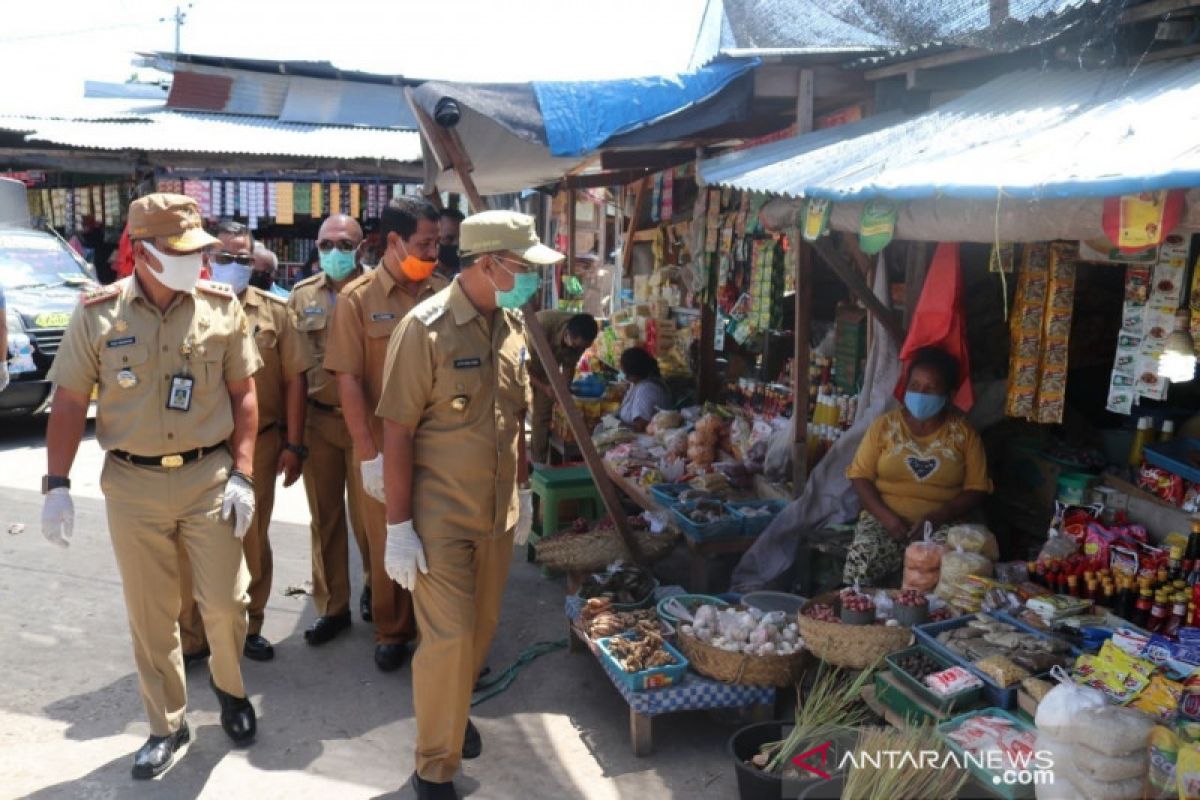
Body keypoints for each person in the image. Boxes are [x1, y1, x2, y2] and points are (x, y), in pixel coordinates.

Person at [40, 193, 261, 779]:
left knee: (225, 602)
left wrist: (244, 471)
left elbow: (244, 395)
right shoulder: (97, 315)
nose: (195, 261)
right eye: (179, 249)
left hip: (208, 477)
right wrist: (55, 484)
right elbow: (67, 403)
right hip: (133, 485)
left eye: (197, 249)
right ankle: (167, 724)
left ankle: (232, 691)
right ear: (142, 251)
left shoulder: (221, 308)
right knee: (151, 614)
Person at [378, 209, 558, 800]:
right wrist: (398, 527)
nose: (533, 277)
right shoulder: (423, 330)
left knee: (478, 639)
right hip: (440, 523)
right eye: (524, 266)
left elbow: (516, 421)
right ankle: (434, 766)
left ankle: (451, 718)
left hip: (497, 518)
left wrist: (524, 492)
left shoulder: (510, 325)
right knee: (450, 641)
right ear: (489, 263)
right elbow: (398, 433)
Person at [175, 220, 307, 664]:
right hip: (198, 448)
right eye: (226, 257)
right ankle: (194, 635)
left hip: (263, 444)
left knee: (251, 536)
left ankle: (251, 625)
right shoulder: (185, 307)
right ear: (208, 259)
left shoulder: (275, 312)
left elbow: (294, 381)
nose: (236, 265)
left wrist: (294, 442)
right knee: (194, 543)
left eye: (244, 258)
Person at [324, 197, 447, 672]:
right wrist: (368, 452)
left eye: (437, 242)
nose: (434, 252)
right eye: (425, 243)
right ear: (394, 242)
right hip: (381, 446)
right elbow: (348, 379)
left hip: (436, 447)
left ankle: (437, 631)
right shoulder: (358, 300)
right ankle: (392, 630)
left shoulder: (443, 290)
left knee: (437, 539)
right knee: (386, 542)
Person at [287, 214, 374, 645]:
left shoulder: (380, 291)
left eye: (343, 244)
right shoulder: (302, 297)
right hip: (319, 424)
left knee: (370, 518)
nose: (333, 252)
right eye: (325, 245)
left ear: (363, 247)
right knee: (325, 519)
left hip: (368, 425)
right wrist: (293, 437)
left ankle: (377, 592)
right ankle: (333, 606)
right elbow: (293, 372)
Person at [844, 346, 992, 585]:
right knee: (862, 560)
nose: (921, 393)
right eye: (914, 386)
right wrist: (887, 519)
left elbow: (977, 488)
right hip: (884, 520)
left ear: (950, 394)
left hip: (943, 523)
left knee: (950, 568)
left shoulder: (965, 435)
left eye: (931, 388)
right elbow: (859, 476)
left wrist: (939, 515)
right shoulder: (884, 426)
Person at [527, 311, 598, 464]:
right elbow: (520, 367)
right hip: (524, 363)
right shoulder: (540, 326)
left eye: (581, 347)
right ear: (567, 334)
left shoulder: (580, 340)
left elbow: (568, 366)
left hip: (547, 370)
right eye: (574, 345)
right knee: (516, 412)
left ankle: (538, 464)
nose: (576, 349)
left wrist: (562, 392)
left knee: (542, 417)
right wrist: (543, 387)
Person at [616, 346, 671, 432]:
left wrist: (615, 424)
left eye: (623, 370)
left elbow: (640, 428)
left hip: (643, 440)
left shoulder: (646, 390)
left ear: (630, 373)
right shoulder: (638, 383)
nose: (623, 374)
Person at [436, 207, 464, 277]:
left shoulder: (470, 273)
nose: (457, 243)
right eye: (449, 238)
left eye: (462, 238)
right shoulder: (424, 275)